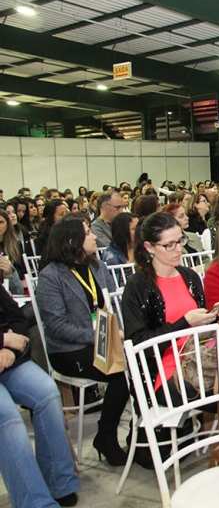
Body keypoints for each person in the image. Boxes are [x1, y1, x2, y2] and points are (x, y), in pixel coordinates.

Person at [121, 212, 219, 438]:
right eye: (169, 245)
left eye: (180, 241)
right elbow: (139, 342)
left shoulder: (189, 276)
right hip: (167, 373)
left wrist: (217, 314)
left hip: (203, 359)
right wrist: (185, 323)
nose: (178, 250)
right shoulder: (138, 286)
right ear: (149, 247)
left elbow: (205, 330)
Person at [35, 215, 129, 466]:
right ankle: (106, 437)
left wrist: (116, 332)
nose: (95, 236)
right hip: (69, 350)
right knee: (121, 374)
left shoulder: (98, 267)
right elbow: (57, 327)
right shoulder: (50, 277)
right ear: (71, 240)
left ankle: (140, 433)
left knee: (141, 364)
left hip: (103, 341)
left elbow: (112, 307)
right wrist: (99, 336)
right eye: (88, 233)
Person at [0, 286, 81, 507]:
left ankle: (59, 481)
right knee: (7, 418)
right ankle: (35, 503)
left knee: (47, 392)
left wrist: (10, 349)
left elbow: (17, 316)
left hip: (8, 359)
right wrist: (4, 340)